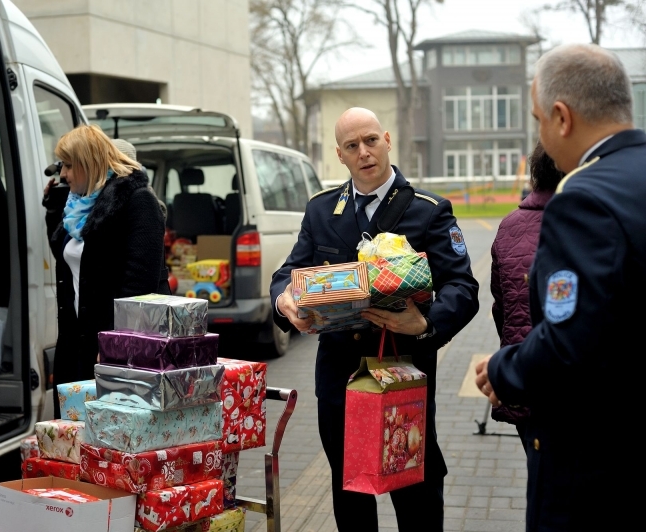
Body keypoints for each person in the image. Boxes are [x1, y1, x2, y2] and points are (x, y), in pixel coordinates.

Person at [270, 107, 479, 531]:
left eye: (370, 140)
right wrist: (286, 303)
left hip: (405, 369)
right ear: (340, 156)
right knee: (350, 497)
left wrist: (426, 324)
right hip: (340, 379)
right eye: (352, 146)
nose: (364, 152)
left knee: (415, 493)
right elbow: (285, 277)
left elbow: (463, 287)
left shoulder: (429, 210)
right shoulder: (321, 210)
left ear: (387, 140)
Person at [475, 43, 644, 530]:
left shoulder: (584, 199)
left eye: (538, 122)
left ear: (562, 117)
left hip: (598, 463)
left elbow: (568, 342)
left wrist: (503, 368)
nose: (542, 138)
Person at [42, 125, 170, 417]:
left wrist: (117, 346)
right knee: (78, 435)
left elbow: (141, 285)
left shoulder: (137, 200)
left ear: (91, 163)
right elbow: (72, 260)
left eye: (70, 165)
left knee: (115, 441)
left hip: (117, 349)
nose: (63, 174)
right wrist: (52, 209)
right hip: (77, 341)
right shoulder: (79, 206)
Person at [489, 142, 563, 447]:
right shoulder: (588, 221)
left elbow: (500, 307)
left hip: (523, 375)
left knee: (540, 472)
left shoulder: (509, 226)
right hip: (577, 384)